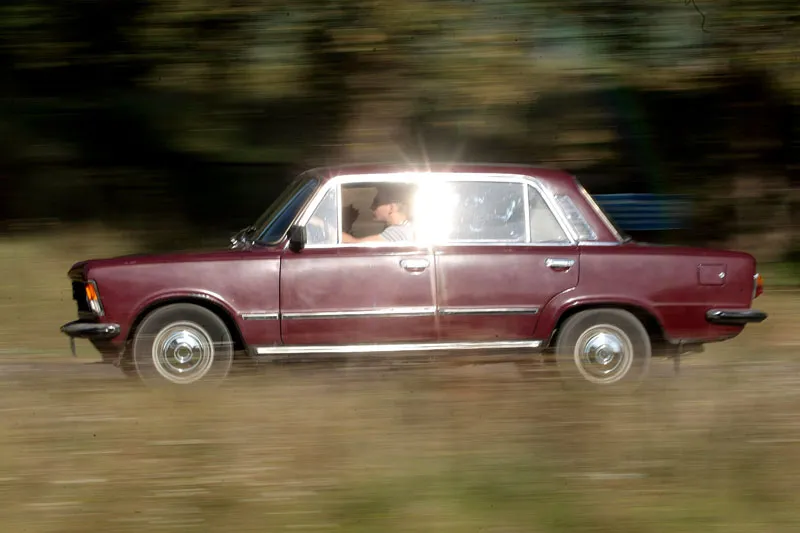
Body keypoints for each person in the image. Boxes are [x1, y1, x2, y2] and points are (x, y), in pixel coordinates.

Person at [341, 184, 415, 243]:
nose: (371, 207)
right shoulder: (405, 228)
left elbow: (356, 245)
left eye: (376, 202)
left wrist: (333, 232)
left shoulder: (398, 232)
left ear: (392, 207)